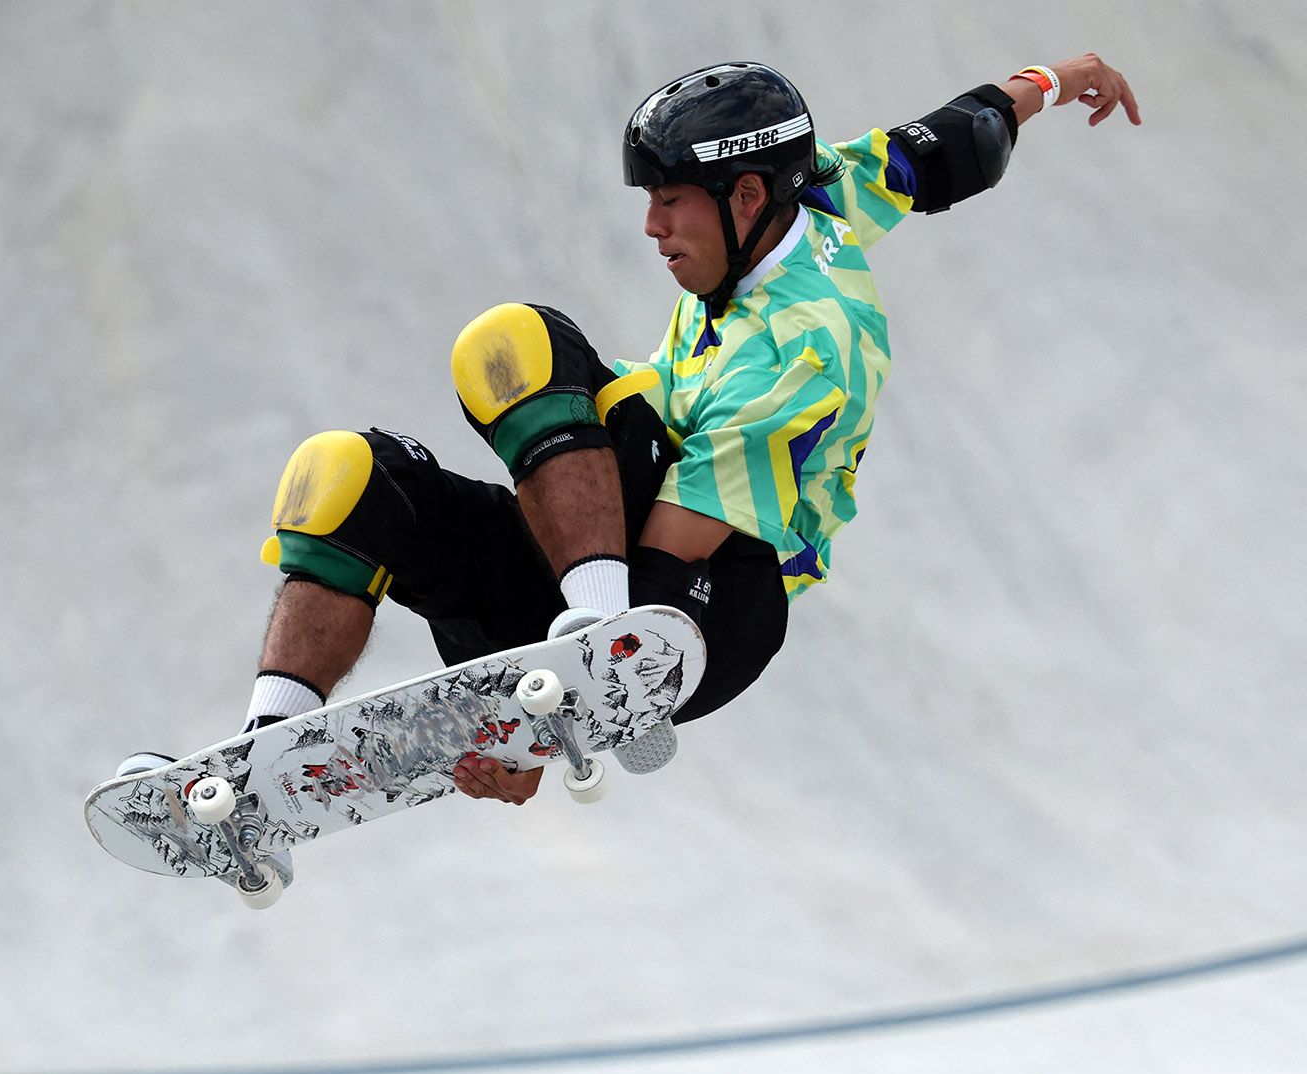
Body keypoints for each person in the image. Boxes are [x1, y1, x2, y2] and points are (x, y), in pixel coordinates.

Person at [123, 55, 1140, 812]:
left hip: (709, 605)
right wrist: (1062, 76)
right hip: (612, 562)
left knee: (519, 348)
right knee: (346, 478)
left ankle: (584, 637)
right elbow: (952, 143)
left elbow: (672, 559)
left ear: (745, 197)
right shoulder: (815, 188)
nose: (653, 231)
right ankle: (264, 757)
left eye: (670, 205)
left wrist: (553, 714)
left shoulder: (805, 347)